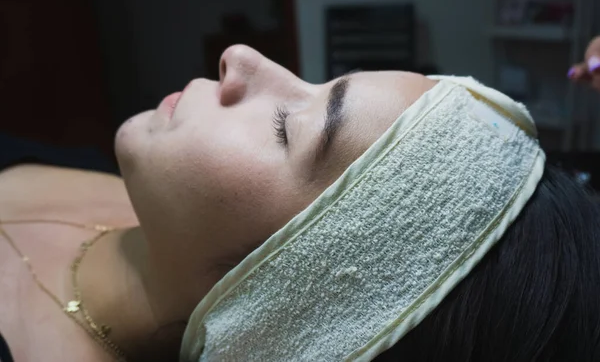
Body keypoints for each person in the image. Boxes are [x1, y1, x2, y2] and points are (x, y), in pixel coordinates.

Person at [0, 45, 597, 362]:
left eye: (288, 127)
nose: (241, 58)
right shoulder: (146, 204)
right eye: (316, 82)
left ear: (281, 303)